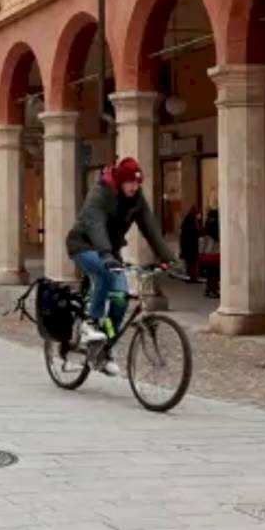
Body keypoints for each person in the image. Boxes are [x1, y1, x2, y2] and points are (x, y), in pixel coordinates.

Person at [67, 156, 174, 373]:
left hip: (110, 253)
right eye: (130, 182)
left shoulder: (136, 200)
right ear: (120, 181)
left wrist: (169, 258)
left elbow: (150, 229)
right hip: (84, 245)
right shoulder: (101, 193)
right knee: (105, 275)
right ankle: (90, 323)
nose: (134, 187)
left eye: (137, 183)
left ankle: (103, 351)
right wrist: (106, 254)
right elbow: (95, 225)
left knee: (121, 298)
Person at [179, 205, 201, 280]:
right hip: (190, 245)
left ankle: (192, 274)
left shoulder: (190, 219)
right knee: (191, 260)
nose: (198, 215)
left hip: (189, 244)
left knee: (190, 260)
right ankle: (192, 275)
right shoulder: (190, 220)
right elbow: (191, 233)